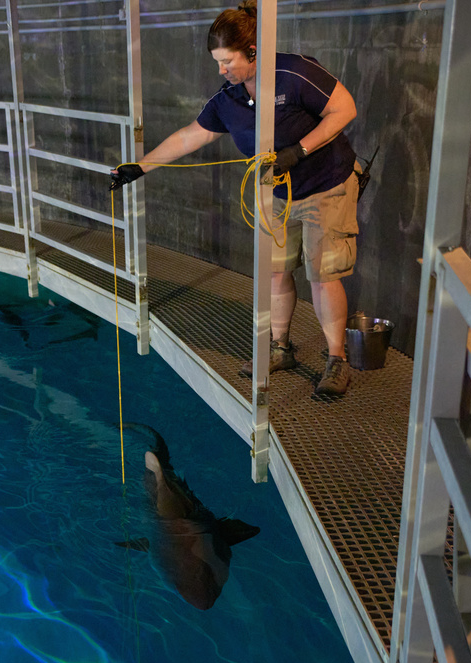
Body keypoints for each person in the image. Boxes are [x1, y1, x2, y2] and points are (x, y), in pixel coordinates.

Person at [110, 0, 359, 396]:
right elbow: (192, 135)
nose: (221, 70)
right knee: (276, 271)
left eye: (227, 61)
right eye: (217, 62)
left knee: (323, 275)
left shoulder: (293, 72)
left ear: (253, 52)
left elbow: (344, 109)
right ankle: (280, 347)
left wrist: (299, 150)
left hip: (326, 185)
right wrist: (140, 167)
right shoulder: (229, 98)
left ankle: (336, 360)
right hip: (274, 192)